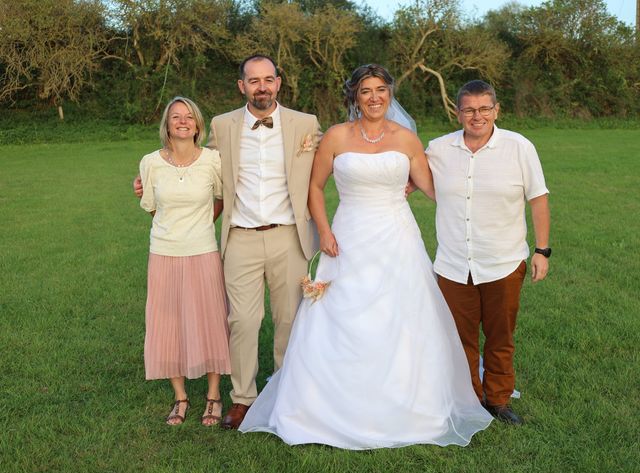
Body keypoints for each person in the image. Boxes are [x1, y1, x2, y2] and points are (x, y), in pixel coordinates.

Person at [238, 64, 493, 449]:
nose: (374, 97)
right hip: (348, 237)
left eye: (380, 89)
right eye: (365, 91)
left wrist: (485, 195)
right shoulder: (337, 136)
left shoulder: (406, 139)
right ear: (354, 97)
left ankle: (409, 402)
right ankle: (324, 406)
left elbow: (434, 188)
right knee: (341, 314)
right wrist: (324, 230)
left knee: (402, 317)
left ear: (390, 94)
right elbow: (315, 186)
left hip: (397, 238)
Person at [135, 55, 321, 429]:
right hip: (240, 239)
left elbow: (328, 165)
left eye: (269, 79)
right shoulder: (223, 125)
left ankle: (286, 391)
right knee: (243, 321)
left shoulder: (306, 124)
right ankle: (242, 399)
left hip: (289, 236)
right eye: (254, 80)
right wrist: (148, 185)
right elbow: (198, 169)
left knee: (289, 319)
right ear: (242, 86)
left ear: (279, 83)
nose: (262, 87)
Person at [427, 80, 551, 426]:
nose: (476, 116)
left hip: (503, 261)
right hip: (453, 264)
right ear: (457, 112)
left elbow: (538, 198)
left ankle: (497, 400)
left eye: (484, 109)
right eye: (468, 109)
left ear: (496, 110)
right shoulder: (438, 149)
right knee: (459, 339)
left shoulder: (519, 147)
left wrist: (542, 250)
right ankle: (468, 399)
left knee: (500, 336)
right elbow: (404, 171)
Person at [139, 97, 231, 426]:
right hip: (163, 252)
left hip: (203, 250)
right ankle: (180, 397)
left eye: (188, 117)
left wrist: (203, 223)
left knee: (210, 319)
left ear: (197, 125)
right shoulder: (150, 162)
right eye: (175, 117)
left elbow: (222, 198)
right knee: (168, 322)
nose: (182, 121)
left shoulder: (213, 160)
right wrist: (172, 226)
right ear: (166, 125)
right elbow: (152, 206)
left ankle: (213, 395)